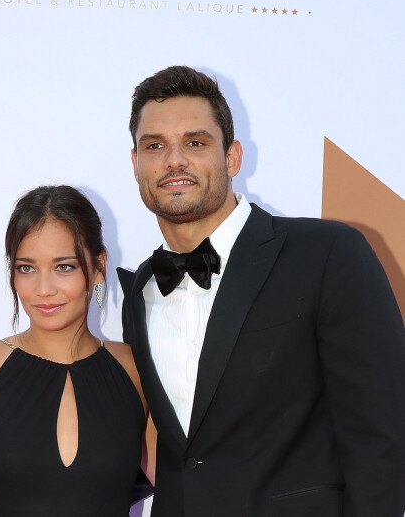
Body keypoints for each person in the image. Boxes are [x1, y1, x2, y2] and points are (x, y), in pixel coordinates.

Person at [117, 65, 405, 516]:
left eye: (195, 142)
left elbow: (381, 439)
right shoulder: (141, 290)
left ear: (232, 157)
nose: (174, 160)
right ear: (136, 164)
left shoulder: (328, 254)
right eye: (155, 146)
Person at [0, 185, 155, 517]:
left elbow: (182, 494)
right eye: (26, 268)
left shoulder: (137, 370)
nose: (43, 290)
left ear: (98, 267)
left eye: (64, 267)